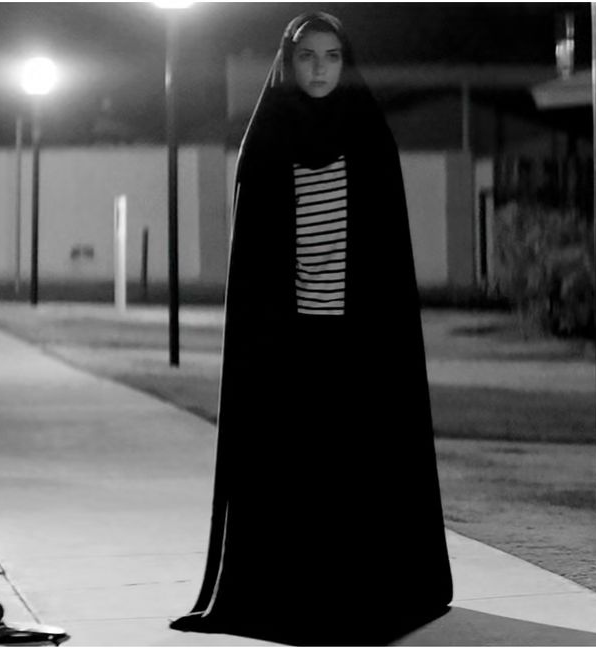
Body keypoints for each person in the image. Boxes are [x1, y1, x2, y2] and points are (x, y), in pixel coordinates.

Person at [170, 11, 453, 644]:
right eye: (307, 57)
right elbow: (254, 260)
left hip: (358, 342)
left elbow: (386, 253)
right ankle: (288, 590)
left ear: (345, 63)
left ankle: (361, 589)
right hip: (288, 342)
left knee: (355, 473)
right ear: (288, 63)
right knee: (293, 475)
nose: (319, 69)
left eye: (331, 56)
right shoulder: (267, 137)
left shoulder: (368, 133)